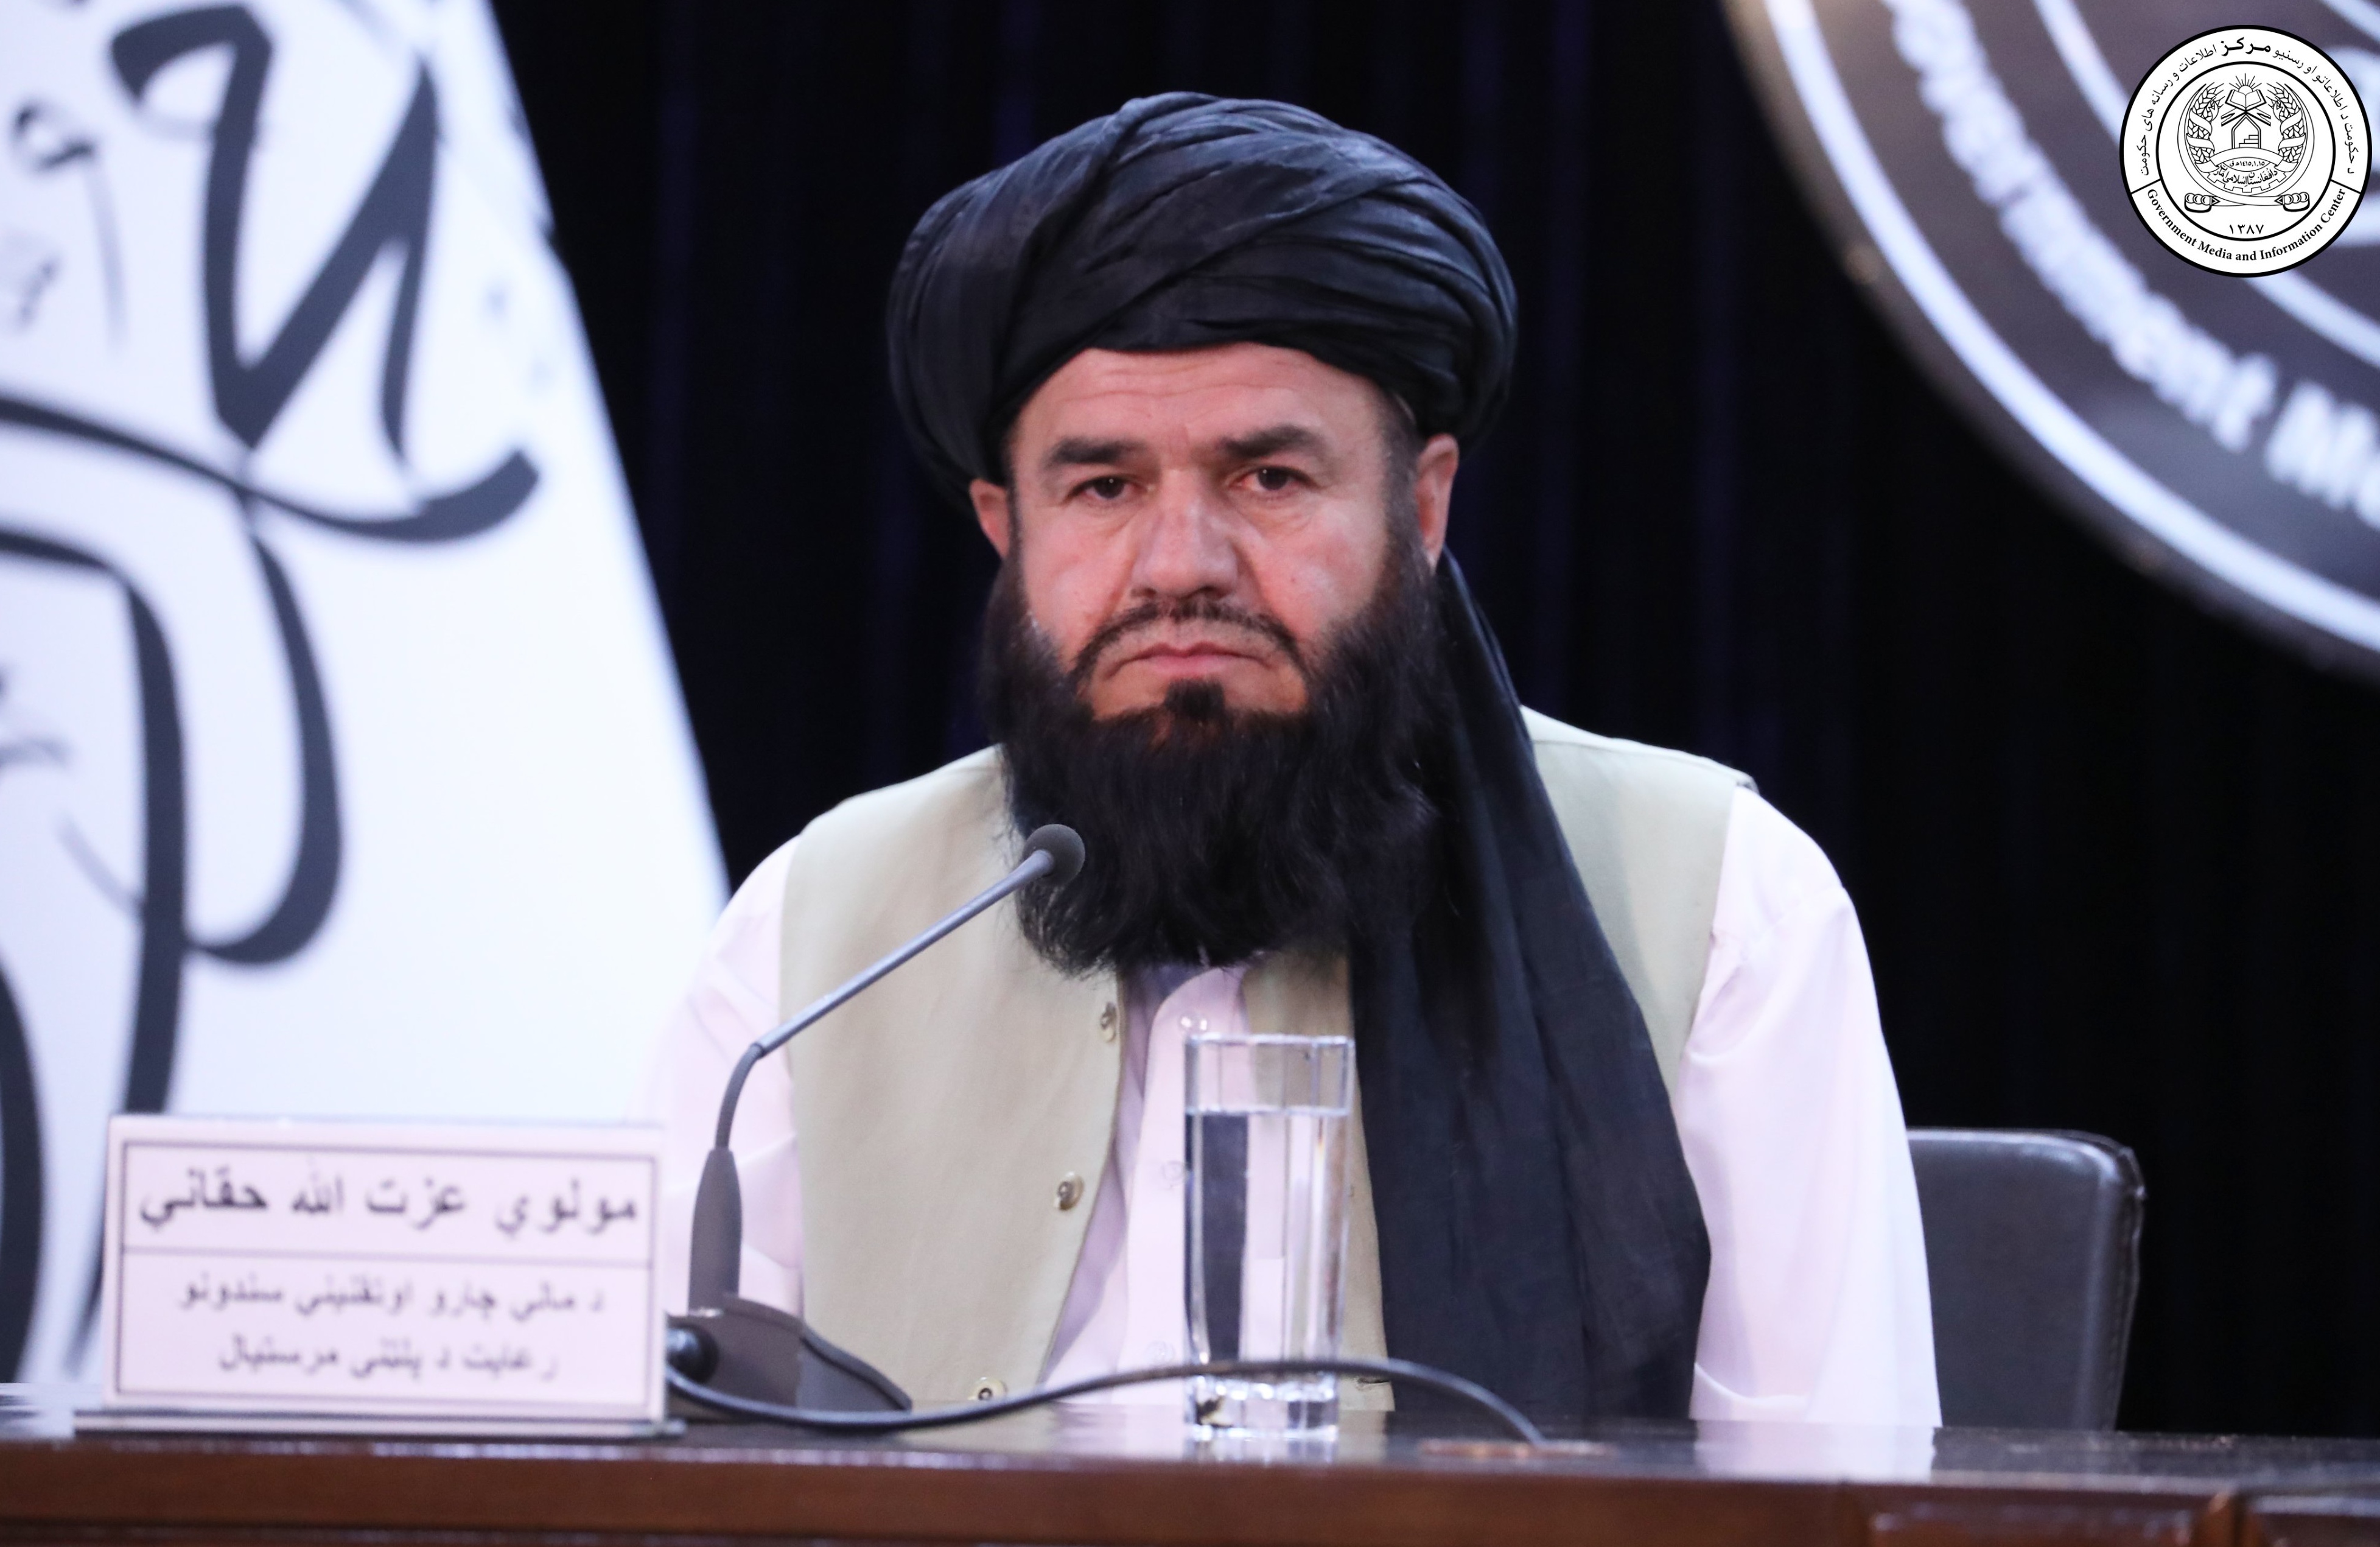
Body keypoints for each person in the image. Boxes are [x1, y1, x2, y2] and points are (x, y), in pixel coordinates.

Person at [643, 94, 1939, 1426]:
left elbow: (1833, 1483)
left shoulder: (1719, 903)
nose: (1179, 565)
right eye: (1103, 488)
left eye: (1266, 477)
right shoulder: (818, 931)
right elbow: (668, 1452)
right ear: (1004, 527)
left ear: (1420, 505)